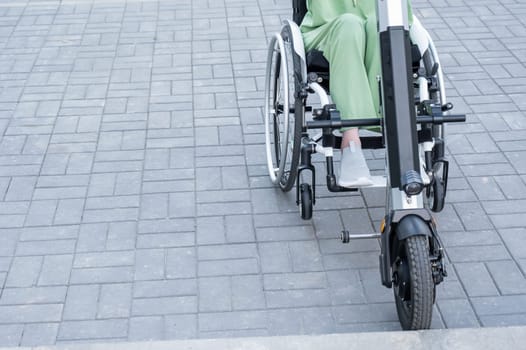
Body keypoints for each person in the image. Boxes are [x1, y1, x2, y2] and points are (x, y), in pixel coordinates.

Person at [300, 0, 413, 187]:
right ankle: (350, 141)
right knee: (349, 24)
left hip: (376, 21)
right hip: (326, 28)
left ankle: (402, 140)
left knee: (382, 24)